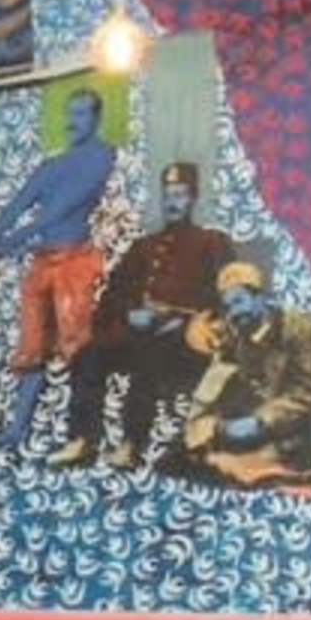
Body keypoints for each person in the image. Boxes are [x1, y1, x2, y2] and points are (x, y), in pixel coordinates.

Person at [50, 160, 233, 470]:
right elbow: (113, 295)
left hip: (185, 342)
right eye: (168, 194)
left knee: (151, 353)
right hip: (137, 333)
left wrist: (181, 321)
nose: (173, 202)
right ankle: (83, 441)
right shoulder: (143, 247)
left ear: (194, 198)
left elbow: (226, 295)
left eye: (181, 194)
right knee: (89, 355)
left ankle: (131, 444)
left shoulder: (211, 243)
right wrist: (130, 316)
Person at [0, 90, 119, 449]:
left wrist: (11, 242)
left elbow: (56, 212)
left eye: (82, 114)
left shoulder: (102, 155)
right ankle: (16, 431)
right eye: (71, 113)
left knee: (79, 348)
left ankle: (83, 436)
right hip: (43, 264)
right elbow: (15, 207)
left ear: (96, 118)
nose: (74, 121)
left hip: (75, 262)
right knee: (32, 348)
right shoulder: (51, 165)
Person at [160, 260, 311, 489]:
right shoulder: (241, 336)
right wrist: (207, 423)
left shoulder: (301, 329)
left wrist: (260, 422)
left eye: (238, 301)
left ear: (260, 298)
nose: (234, 312)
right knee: (174, 464)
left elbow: (306, 393)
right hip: (253, 430)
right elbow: (230, 382)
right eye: (227, 307)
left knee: (230, 475)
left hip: (296, 434)